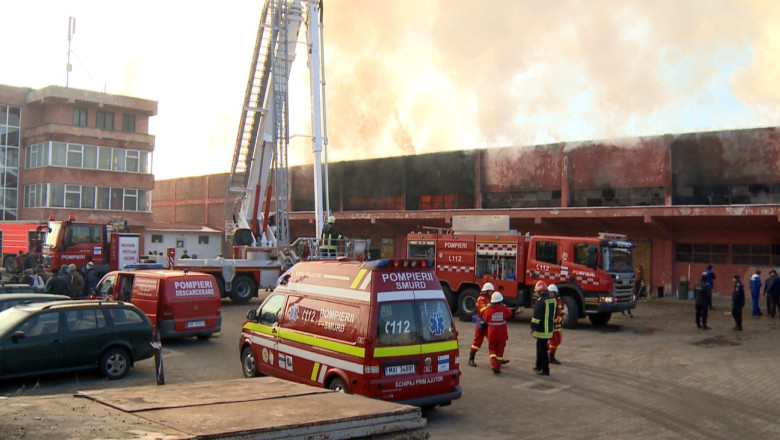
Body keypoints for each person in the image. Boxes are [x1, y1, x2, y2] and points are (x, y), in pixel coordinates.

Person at [482, 291, 513, 374]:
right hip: (502, 334)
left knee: (492, 350)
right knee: (500, 351)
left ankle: (493, 365)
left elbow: (485, 318)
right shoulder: (503, 308)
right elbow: (509, 314)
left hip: (492, 333)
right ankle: (498, 368)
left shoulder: (488, 309)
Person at [530, 281, 556, 376]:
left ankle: (545, 369)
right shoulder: (552, 300)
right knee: (541, 347)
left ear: (539, 291)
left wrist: (532, 327)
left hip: (541, 330)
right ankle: (538, 366)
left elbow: (536, 317)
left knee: (542, 350)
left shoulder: (540, 301)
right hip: (549, 329)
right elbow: (555, 314)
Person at [468, 282, 494, 367]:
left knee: (493, 340)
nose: (491, 292)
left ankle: (497, 359)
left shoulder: (489, 298)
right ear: (486, 291)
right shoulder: (481, 299)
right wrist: (490, 306)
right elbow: (482, 310)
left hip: (488, 322)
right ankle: (471, 359)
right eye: (490, 291)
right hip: (481, 322)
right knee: (477, 341)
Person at [548, 284, 567, 364]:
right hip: (551, 325)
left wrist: (563, 316)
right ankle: (551, 357)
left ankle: (545, 351)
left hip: (557, 325)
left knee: (558, 340)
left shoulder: (559, 301)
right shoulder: (548, 301)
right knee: (554, 341)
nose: (550, 294)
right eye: (550, 292)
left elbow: (562, 310)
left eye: (552, 292)